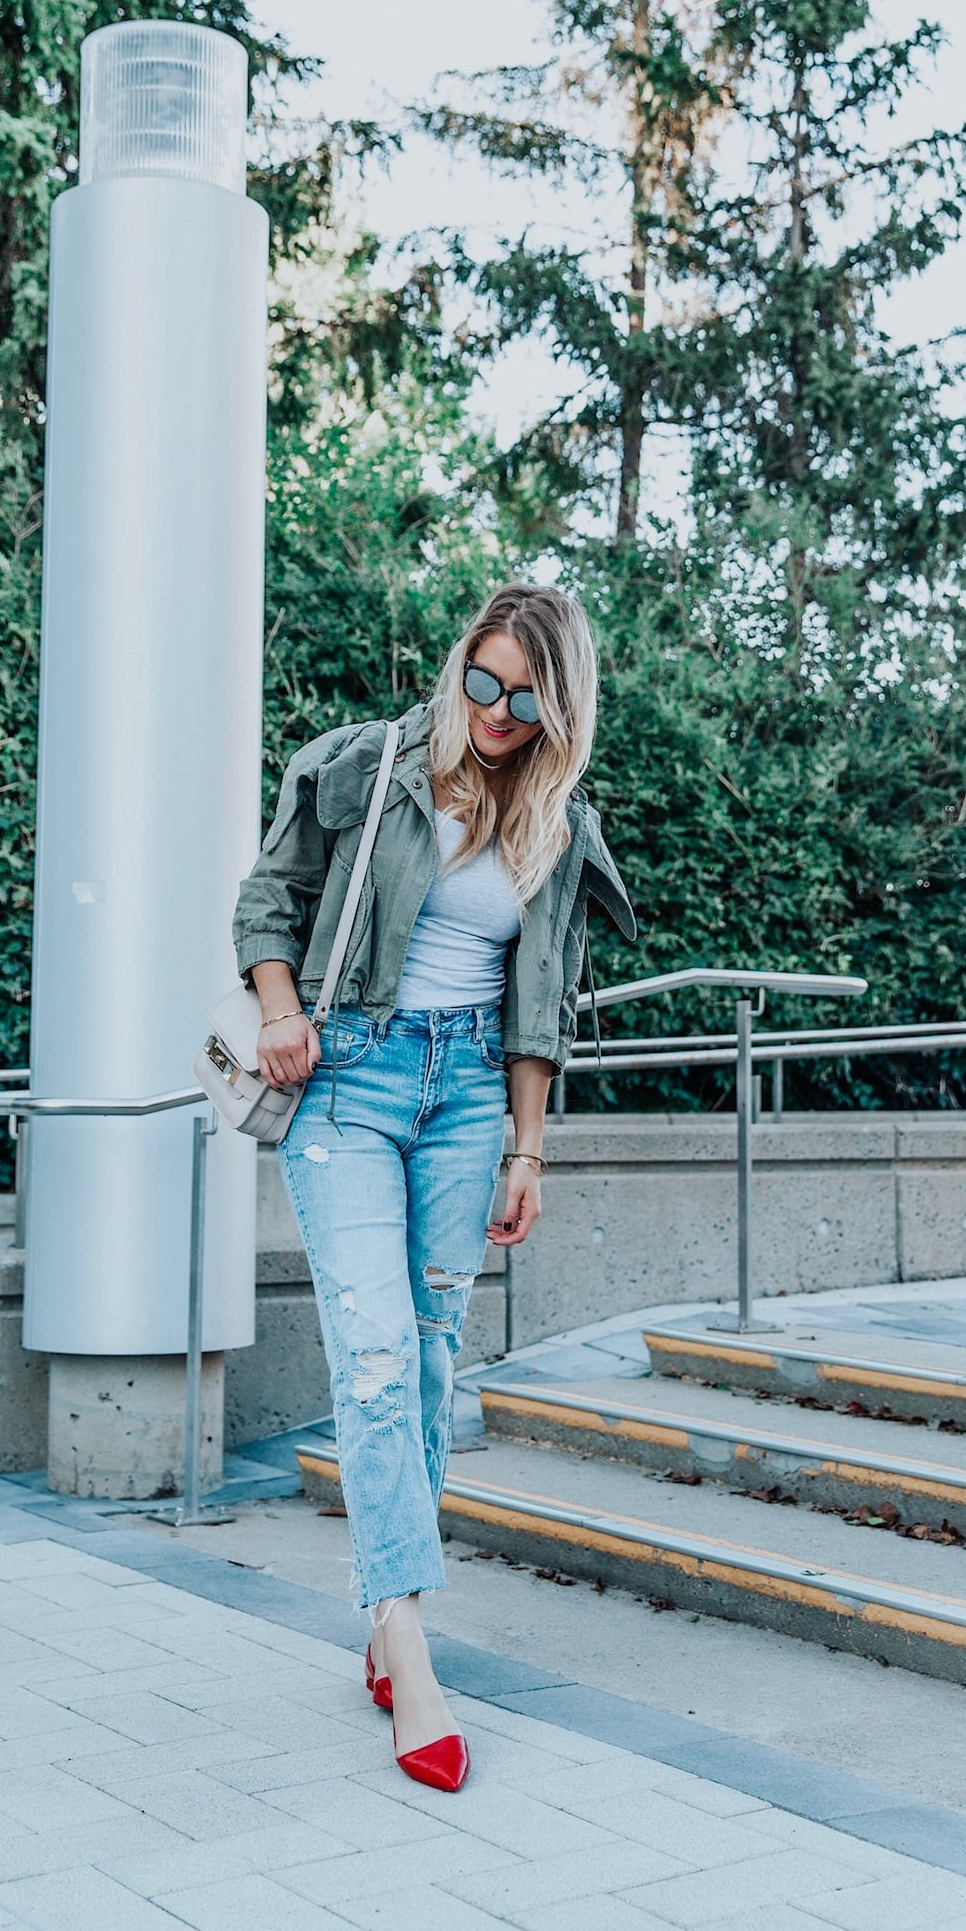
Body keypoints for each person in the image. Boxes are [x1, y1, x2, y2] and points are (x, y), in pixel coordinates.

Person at [232, 582, 634, 1791]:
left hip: (468, 1099)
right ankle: (407, 1640)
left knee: (433, 1351)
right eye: (482, 680)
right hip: (349, 1076)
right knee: (373, 1354)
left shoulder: (554, 819)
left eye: (525, 697)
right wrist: (282, 1009)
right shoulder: (364, 767)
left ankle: (384, 1612)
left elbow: (541, 1004)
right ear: (460, 661)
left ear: (558, 706)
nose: (497, 712)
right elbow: (269, 899)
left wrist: (528, 1147)